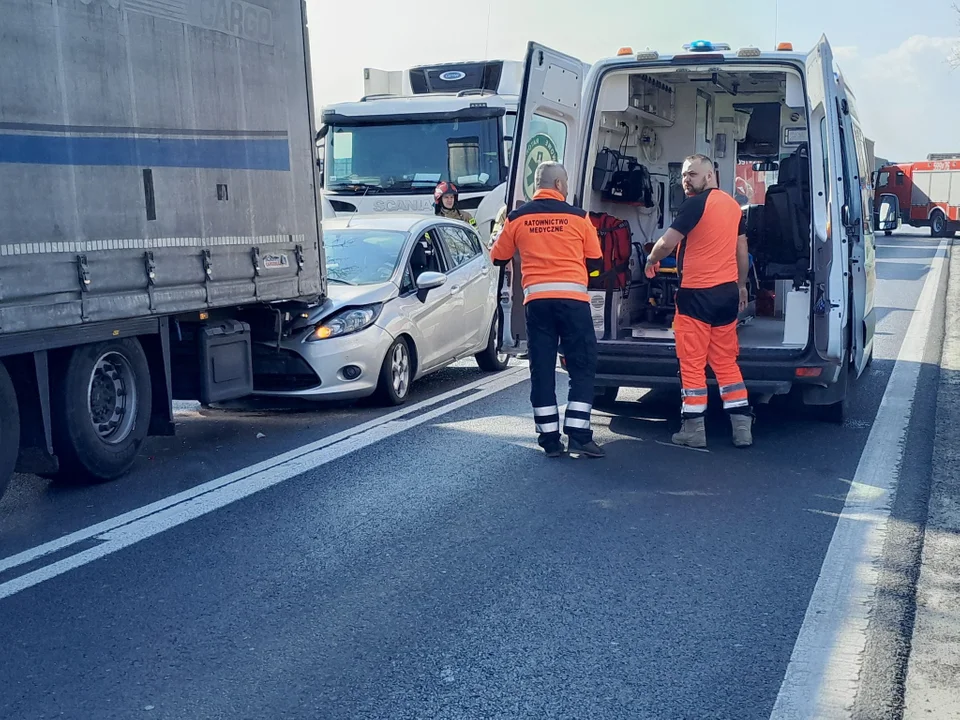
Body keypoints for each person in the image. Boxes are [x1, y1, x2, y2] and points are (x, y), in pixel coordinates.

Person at [490, 162, 605, 458]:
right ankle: (579, 433)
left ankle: (550, 440)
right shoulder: (579, 217)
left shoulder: (517, 218)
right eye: (565, 184)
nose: (566, 189)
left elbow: (497, 257)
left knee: (541, 370)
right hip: (573, 304)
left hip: (537, 305)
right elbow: (596, 261)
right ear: (558, 185)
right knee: (582, 365)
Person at [644, 153, 753, 449]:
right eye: (682, 175)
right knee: (726, 362)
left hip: (696, 295)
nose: (685, 180)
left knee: (692, 362)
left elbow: (667, 242)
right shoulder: (734, 206)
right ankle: (742, 428)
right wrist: (741, 286)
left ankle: (693, 431)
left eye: (691, 174)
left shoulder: (694, 204)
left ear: (709, 175)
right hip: (727, 295)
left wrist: (651, 259)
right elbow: (741, 251)